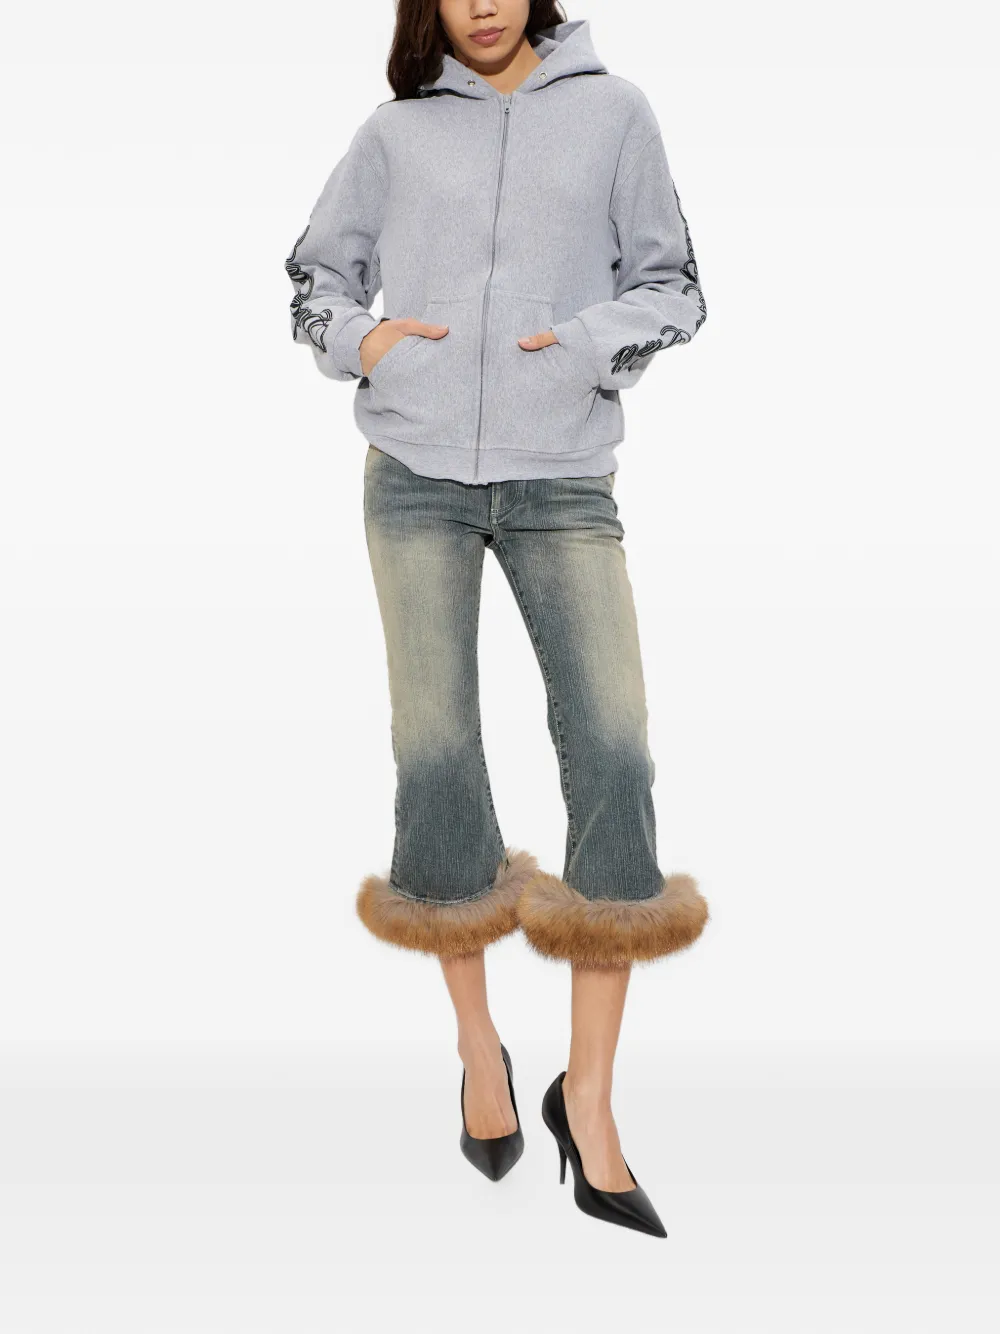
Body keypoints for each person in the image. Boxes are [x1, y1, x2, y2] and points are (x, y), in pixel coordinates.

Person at [284, 1, 709, 1237]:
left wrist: (580, 345)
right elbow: (312, 276)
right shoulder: (395, 131)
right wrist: (367, 340)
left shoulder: (615, 114)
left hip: (562, 482)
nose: (480, 3)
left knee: (616, 751)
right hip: (414, 477)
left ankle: (592, 1098)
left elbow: (676, 287)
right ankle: (480, 1050)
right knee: (436, 755)